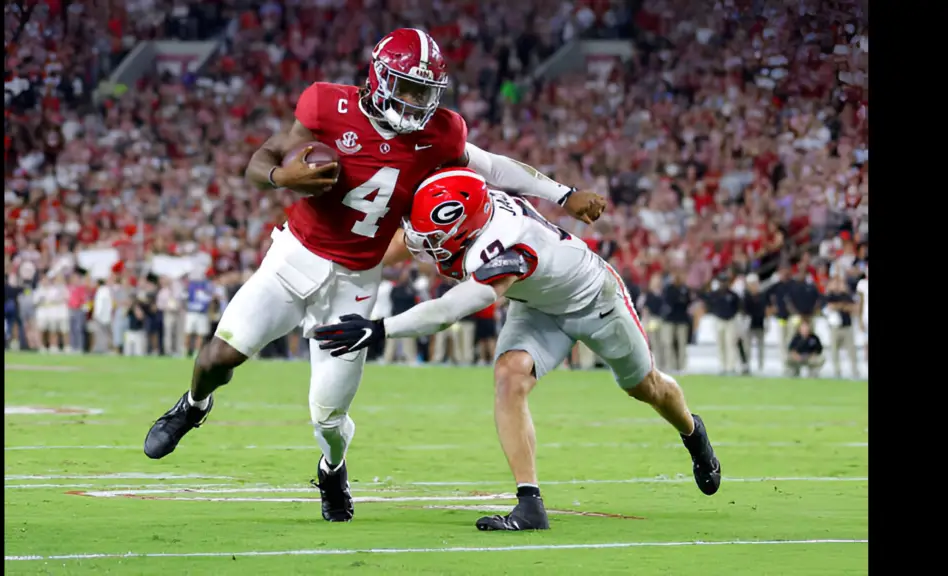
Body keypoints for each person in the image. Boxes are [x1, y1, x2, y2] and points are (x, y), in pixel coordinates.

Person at [141, 29, 607, 524]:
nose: (415, 101)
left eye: (424, 92)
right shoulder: (326, 106)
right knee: (220, 353)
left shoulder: (441, 134)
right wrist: (283, 178)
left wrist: (562, 193)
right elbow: (263, 159)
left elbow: (492, 167)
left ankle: (332, 468)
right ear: (379, 77)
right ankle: (193, 405)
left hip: (357, 279)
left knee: (328, 413)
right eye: (406, 88)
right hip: (294, 256)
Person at [314, 169, 721, 531]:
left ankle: (692, 431)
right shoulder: (469, 207)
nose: (428, 250)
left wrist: (379, 328)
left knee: (645, 387)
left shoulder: (503, 247)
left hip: (593, 299)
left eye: (436, 241)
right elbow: (422, 227)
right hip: (535, 304)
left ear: (466, 230)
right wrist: (336, 268)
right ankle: (530, 504)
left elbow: (450, 309)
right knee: (510, 377)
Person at [824, 277, 860, 379]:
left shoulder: (847, 295)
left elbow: (854, 308)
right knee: (834, 350)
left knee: (851, 350)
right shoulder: (830, 296)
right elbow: (829, 307)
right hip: (835, 327)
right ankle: (837, 371)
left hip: (847, 326)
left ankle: (855, 371)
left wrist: (840, 306)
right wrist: (843, 306)